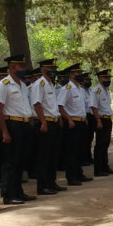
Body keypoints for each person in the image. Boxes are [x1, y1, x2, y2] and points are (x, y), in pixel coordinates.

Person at [0, 53, 35, 205]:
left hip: (24, 124)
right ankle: (8, 194)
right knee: (10, 161)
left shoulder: (22, 85)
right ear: (11, 67)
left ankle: (18, 191)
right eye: (20, 66)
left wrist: (29, 122)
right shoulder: (3, 85)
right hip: (12, 124)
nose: (23, 68)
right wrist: (4, 130)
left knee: (21, 160)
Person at [29, 59, 63, 195]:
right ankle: (42, 186)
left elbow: (52, 105)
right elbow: (37, 104)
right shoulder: (40, 84)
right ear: (43, 69)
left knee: (53, 154)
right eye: (50, 68)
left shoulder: (50, 85)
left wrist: (58, 118)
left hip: (54, 121)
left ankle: (51, 182)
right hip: (45, 123)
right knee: (44, 155)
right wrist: (43, 122)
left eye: (54, 69)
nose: (53, 71)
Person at [58, 64, 90, 186]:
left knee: (80, 150)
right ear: (71, 75)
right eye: (77, 72)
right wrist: (69, 119)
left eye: (80, 72)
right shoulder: (67, 88)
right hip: (72, 123)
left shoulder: (80, 89)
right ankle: (71, 177)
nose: (80, 75)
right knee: (71, 151)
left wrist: (85, 118)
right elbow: (60, 106)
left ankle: (79, 173)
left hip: (81, 121)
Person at [90, 69, 113, 176]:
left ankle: (105, 166)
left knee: (105, 144)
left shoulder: (105, 90)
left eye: (109, 78)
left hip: (107, 119)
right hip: (101, 119)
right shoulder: (96, 90)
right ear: (100, 79)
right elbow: (93, 106)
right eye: (106, 78)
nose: (108, 80)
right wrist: (98, 120)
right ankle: (98, 169)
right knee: (100, 145)